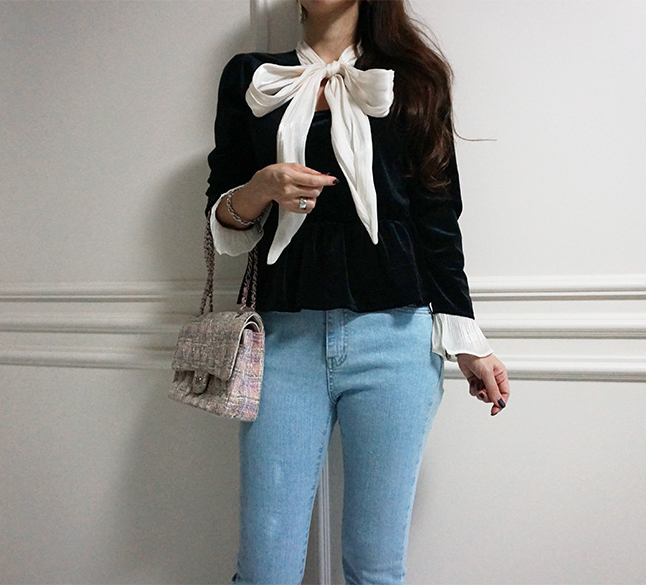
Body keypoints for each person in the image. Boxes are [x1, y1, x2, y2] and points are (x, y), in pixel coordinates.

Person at [204, 1, 510, 583]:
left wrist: (468, 341)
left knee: (375, 568)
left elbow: (438, 218)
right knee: (265, 569)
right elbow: (222, 212)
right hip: (283, 341)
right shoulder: (251, 76)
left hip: (395, 341)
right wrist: (261, 187)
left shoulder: (414, 77)